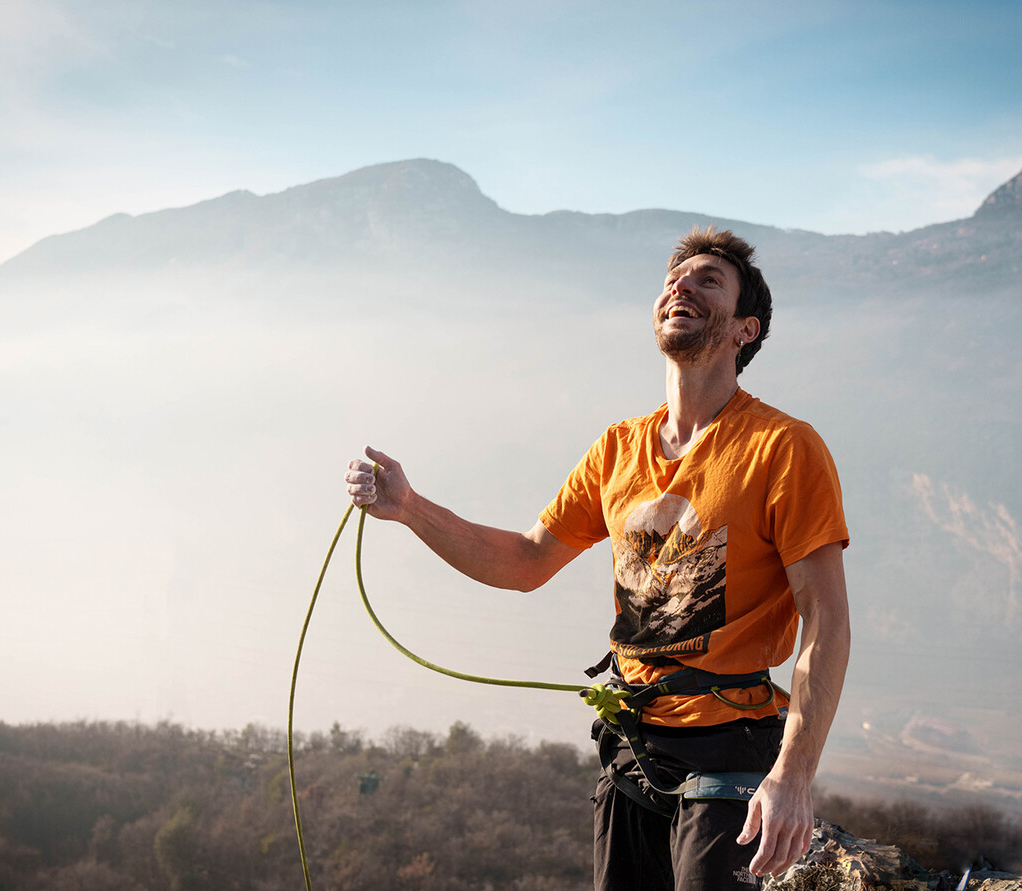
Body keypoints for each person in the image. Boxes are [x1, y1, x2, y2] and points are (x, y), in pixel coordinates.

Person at [345, 227, 850, 890]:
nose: (682, 285)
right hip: (631, 748)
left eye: (709, 280)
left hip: (731, 748)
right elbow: (526, 560)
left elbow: (827, 619)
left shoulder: (782, 446)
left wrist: (794, 774)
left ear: (744, 329)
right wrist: (411, 508)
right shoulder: (618, 449)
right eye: (674, 278)